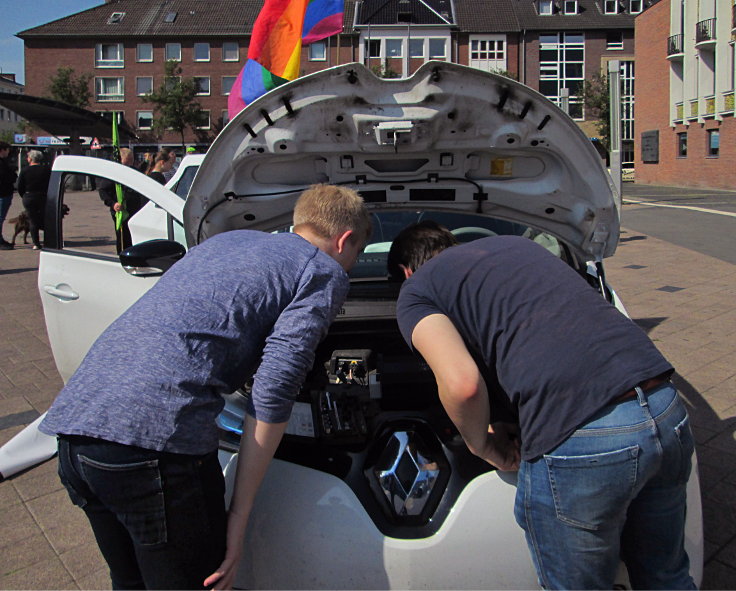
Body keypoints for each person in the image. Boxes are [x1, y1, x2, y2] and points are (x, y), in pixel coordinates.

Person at [39, 184, 371, 590]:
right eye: (355, 258)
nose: (349, 268)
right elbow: (274, 388)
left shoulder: (228, 241)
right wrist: (238, 516)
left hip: (76, 435)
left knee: (129, 583)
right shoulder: (321, 270)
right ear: (345, 240)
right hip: (153, 446)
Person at [387, 221, 696, 590]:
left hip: (583, 435)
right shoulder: (519, 248)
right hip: (664, 407)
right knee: (666, 577)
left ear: (405, 272)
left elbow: (463, 385)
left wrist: (482, 445)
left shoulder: (417, 290)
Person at [98, 147, 148, 254]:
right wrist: (113, 204)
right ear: (120, 159)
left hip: (135, 210)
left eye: (131, 159)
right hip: (120, 211)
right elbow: (103, 190)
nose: (130, 162)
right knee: (123, 238)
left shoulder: (135, 171)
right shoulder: (114, 173)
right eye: (128, 160)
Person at [17, 150, 51, 250]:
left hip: (29, 197)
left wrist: (24, 195)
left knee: (33, 220)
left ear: (30, 159)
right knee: (45, 219)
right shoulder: (46, 170)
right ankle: (49, 241)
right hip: (43, 197)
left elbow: (20, 186)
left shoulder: (25, 170)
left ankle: (36, 243)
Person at [0, 141, 17, 250]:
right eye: (7, 150)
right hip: (2, 194)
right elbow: (7, 177)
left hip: (4, 194)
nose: (8, 152)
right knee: (0, 218)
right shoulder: (1, 164)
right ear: (2, 150)